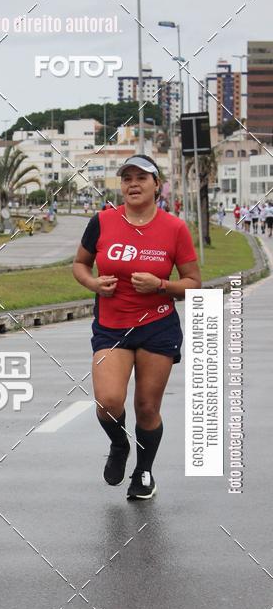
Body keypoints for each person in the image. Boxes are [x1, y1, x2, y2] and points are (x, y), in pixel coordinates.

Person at [72, 154, 201, 500]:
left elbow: (192, 283)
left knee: (147, 407)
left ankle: (144, 472)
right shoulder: (102, 221)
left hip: (158, 326)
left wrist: (161, 285)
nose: (133, 183)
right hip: (112, 327)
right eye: (126, 177)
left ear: (157, 185)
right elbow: (81, 265)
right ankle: (118, 444)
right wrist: (94, 284)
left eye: (141, 177)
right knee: (109, 401)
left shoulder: (175, 229)